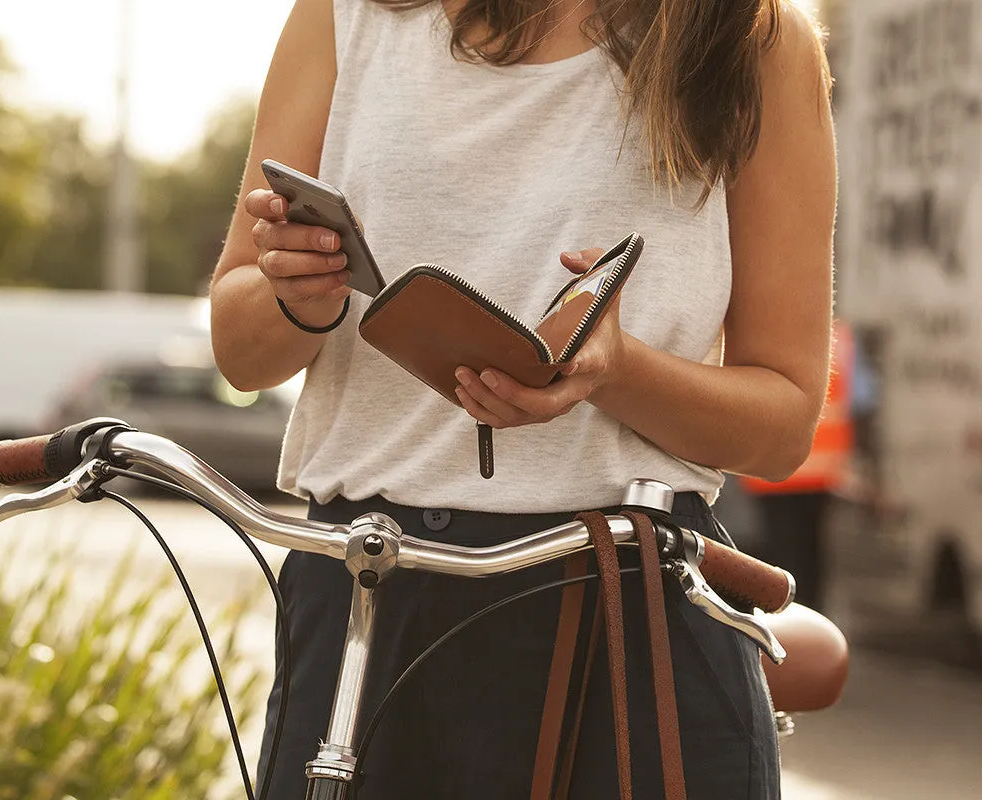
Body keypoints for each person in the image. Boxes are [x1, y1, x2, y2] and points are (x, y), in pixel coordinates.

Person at [209, 0, 836, 797]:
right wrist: (298, 287)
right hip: (367, 585)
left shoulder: (753, 35)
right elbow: (240, 350)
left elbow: (782, 424)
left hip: (625, 595)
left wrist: (617, 370)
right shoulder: (345, 15)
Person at [740, 320, 856, 612]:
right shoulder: (840, 336)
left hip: (772, 468)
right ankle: (814, 621)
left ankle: (787, 622)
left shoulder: (760, 332)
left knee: (781, 557)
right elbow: (862, 398)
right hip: (821, 470)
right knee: (813, 552)